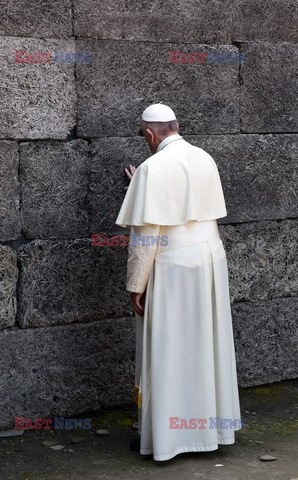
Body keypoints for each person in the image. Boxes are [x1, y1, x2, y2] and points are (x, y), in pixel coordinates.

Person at [115, 104, 242, 462]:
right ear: (177, 126)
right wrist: (140, 183)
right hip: (210, 257)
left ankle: (169, 440)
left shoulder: (152, 168)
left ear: (150, 135)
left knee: (169, 349)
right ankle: (212, 431)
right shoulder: (204, 157)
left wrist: (135, 286)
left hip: (173, 266)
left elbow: (146, 235)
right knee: (206, 345)